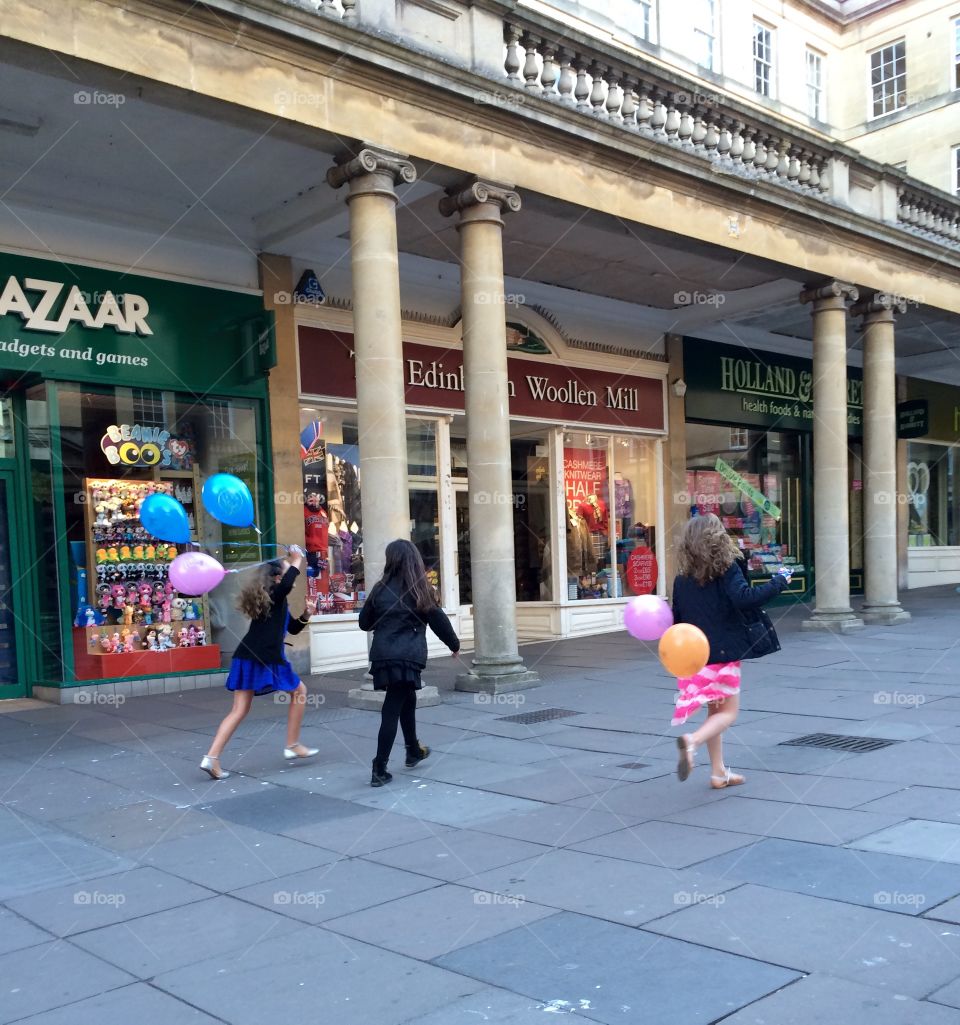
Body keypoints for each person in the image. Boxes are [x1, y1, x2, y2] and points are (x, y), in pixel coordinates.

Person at [671, 514, 790, 789]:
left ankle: (718, 772)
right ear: (717, 538)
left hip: (698, 655)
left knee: (715, 712)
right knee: (729, 713)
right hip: (724, 653)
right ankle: (693, 741)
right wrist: (779, 581)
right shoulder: (727, 569)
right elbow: (744, 599)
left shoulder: (682, 580)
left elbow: (677, 620)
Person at [200, 549, 318, 780]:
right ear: (277, 578)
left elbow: (292, 628)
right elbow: (286, 584)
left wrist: (307, 614)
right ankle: (292, 744)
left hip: (247, 656)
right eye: (285, 572)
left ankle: (211, 758)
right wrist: (296, 559)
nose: (290, 577)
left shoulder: (273, 599)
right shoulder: (275, 593)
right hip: (266, 657)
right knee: (300, 692)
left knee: (239, 710)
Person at [359, 539, 460, 787]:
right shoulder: (419, 589)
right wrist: (454, 644)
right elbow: (438, 620)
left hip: (383, 655)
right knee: (392, 708)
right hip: (407, 656)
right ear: (414, 560)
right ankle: (379, 767)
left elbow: (364, 623)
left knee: (406, 697)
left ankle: (413, 749)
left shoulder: (379, 589)